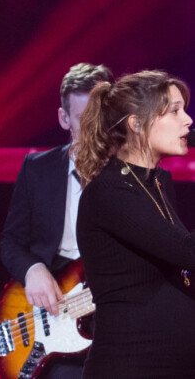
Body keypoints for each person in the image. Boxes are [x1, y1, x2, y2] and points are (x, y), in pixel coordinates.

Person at [74, 70, 195, 378]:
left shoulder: (158, 182)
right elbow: (187, 252)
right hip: (130, 364)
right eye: (174, 111)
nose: (188, 120)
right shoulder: (109, 192)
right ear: (137, 123)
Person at [0, 63, 113, 379]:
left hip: (115, 318)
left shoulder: (135, 174)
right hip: (53, 316)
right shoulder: (37, 168)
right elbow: (10, 242)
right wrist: (33, 271)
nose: (95, 130)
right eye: (83, 120)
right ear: (64, 118)